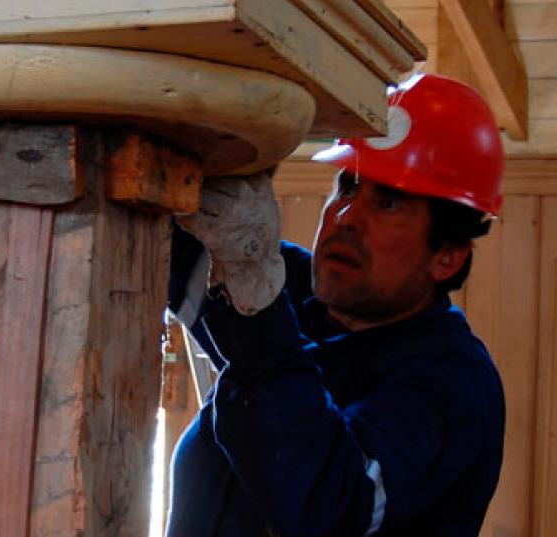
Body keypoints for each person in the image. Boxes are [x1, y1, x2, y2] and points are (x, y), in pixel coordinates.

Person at [165, 73, 506, 537]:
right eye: (347, 186)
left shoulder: (453, 385)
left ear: (447, 254)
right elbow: (167, 248)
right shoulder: (294, 293)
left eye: (387, 203)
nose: (346, 218)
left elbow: (328, 506)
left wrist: (257, 311)